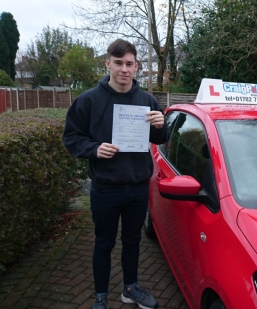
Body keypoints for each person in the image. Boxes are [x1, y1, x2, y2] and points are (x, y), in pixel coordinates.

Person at [63, 38, 168, 309]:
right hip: (105, 187)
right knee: (104, 242)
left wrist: (160, 123)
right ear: (108, 63)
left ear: (137, 68)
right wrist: (94, 149)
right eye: (118, 63)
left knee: (132, 240)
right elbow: (72, 138)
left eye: (129, 64)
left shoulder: (147, 100)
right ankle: (100, 296)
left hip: (136, 186)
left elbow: (160, 137)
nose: (124, 69)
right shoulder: (88, 100)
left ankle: (130, 288)